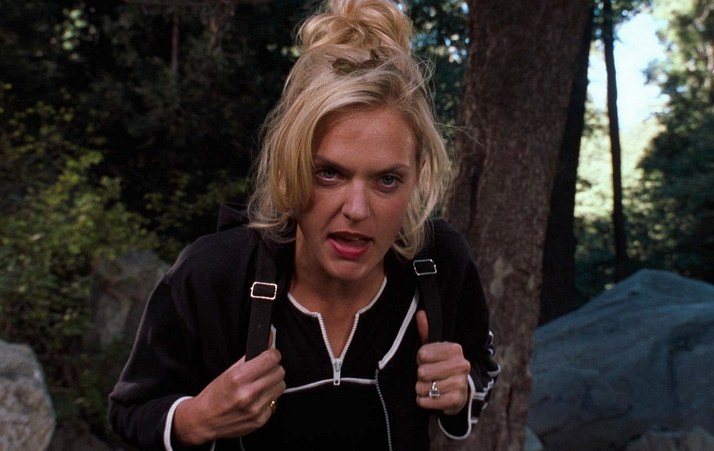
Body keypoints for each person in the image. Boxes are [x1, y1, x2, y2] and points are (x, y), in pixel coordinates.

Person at [108, 0, 499, 449]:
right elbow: (130, 410)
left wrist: (460, 389)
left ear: (417, 176)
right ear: (289, 166)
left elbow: (483, 369)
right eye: (329, 173)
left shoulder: (440, 262)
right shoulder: (214, 275)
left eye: (387, 180)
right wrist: (196, 419)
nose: (356, 209)